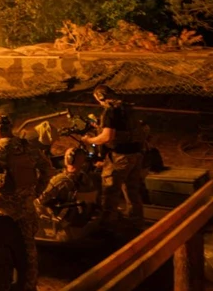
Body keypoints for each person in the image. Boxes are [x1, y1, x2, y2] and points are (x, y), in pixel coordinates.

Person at [0, 113, 51, 291]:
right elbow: (46, 168)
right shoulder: (27, 146)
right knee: (29, 249)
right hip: (27, 207)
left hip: (6, 210)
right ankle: (30, 290)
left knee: (4, 249)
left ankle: (7, 290)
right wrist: (37, 191)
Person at [82, 85, 144, 224]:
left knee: (110, 191)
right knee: (132, 190)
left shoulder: (110, 111)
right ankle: (136, 221)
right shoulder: (127, 108)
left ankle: (108, 224)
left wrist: (89, 140)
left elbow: (107, 137)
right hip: (136, 154)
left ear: (100, 97)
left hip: (120, 156)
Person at [36, 147, 94, 222]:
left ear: (68, 160)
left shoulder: (60, 180)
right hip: (75, 219)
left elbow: (40, 202)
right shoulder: (84, 177)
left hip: (72, 219)